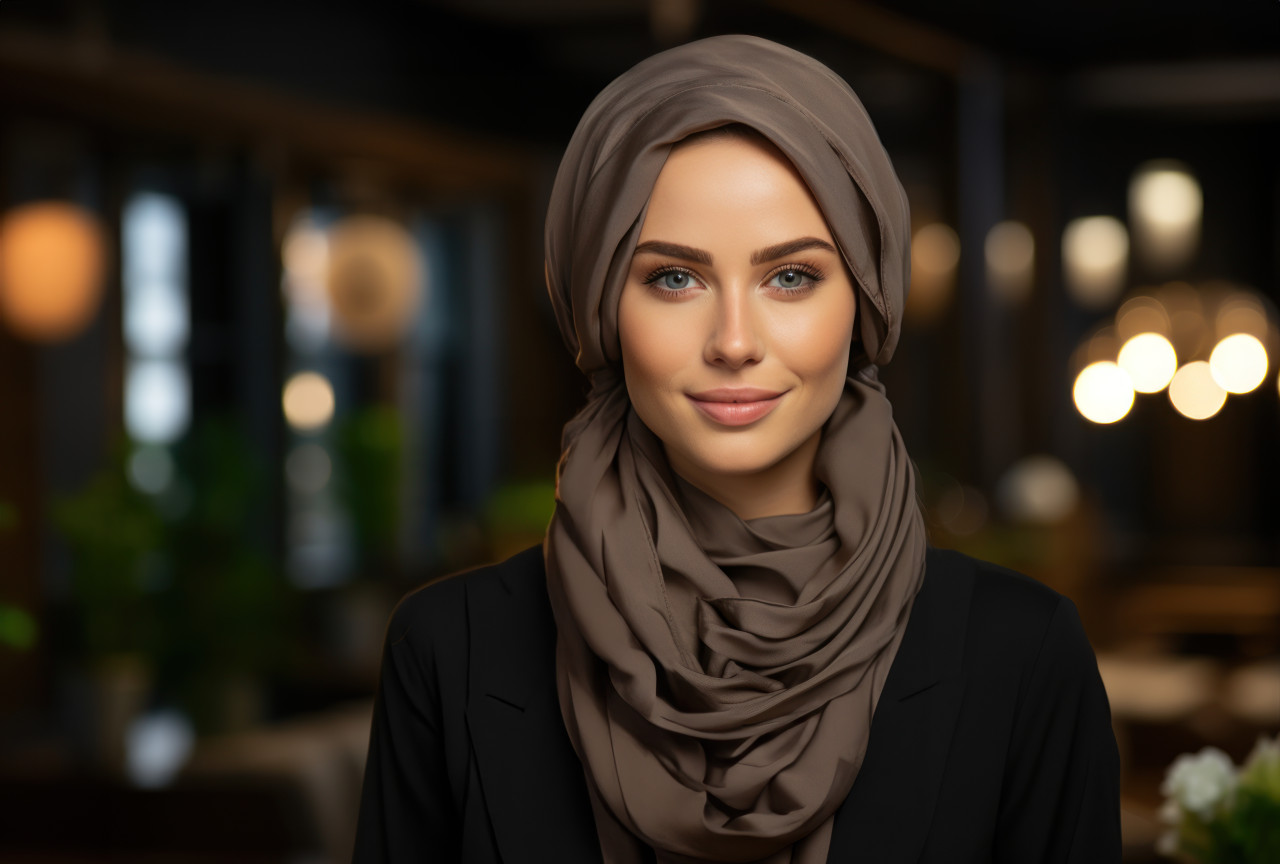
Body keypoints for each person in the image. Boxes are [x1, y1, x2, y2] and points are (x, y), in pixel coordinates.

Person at [353, 34, 1121, 864]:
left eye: (790, 276)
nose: (733, 341)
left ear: (865, 300)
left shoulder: (1022, 655)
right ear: (602, 306)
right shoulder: (451, 651)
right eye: (673, 278)